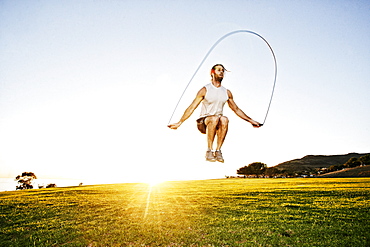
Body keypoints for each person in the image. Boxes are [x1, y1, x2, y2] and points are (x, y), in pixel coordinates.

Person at [168, 64, 261, 162]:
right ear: (212, 72)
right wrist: (179, 122)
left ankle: (218, 151)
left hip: (218, 123)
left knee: (224, 119)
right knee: (214, 118)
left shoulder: (226, 92)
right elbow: (192, 107)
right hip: (203, 122)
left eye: (223, 71)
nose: (221, 72)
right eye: (219, 70)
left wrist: (251, 121)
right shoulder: (205, 90)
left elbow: (236, 109)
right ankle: (209, 150)